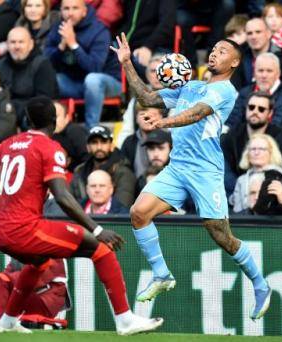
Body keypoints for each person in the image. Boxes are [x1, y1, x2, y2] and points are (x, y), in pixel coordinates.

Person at [0, 96, 163, 335]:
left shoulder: (11, 143)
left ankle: (7, 322)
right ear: (54, 121)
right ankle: (125, 320)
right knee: (99, 248)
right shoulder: (50, 148)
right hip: (25, 229)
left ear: (27, 120)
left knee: (39, 263)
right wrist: (97, 230)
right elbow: (62, 196)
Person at [111, 33, 272, 319]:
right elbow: (146, 97)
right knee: (138, 212)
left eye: (222, 51)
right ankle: (161, 274)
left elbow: (196, 114)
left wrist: (164, 121)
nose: (213, 53)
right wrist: (127, 63)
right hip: (177, 168)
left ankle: (260, 284)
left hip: (206, 172)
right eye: (212, 48)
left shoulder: (226, 92)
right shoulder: (191, 86)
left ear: (234, 62)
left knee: (220, 234)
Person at [44, 0, 121, 129]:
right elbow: (46, 64)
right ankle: (52, 126)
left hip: (107, 83)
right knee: (48, 79)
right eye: (66, 9)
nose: (70, 13)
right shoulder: (58, 29)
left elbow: (95, 67)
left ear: (84, 11)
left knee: (92, 80)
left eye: (75, 8)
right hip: (74, 84)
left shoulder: (99, 30)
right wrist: (61, 47)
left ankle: (91, 128)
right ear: (60, 11)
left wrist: (73, 44)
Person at [0, 258, 70, 329]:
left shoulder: (49, 247)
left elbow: (35, 282)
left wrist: (6, 282)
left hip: (44, 304)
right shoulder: (19, 249)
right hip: (23, 296)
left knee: (2, 279)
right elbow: (4, 281)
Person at [0, 26, 58, 130]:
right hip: (5, 114)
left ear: (31, 44)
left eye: (21, 42)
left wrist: (15, 110)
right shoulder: (1, 64)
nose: (17, 46)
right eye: (13, 42)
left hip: (31, 116)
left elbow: (44, 100)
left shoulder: (42, 64)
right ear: (7, 45)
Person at [70, 125, 136, 207]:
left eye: (103, 142)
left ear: (111, 145)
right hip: (81, 217)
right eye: (94, 142)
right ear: (88, 147)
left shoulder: (123, 172)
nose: (99, 147)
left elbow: (122, 206)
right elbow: (71, 203)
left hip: (111, 219)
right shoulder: (79, 171)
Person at [229, 133, 282, 214]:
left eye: (261, 149)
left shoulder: (281, 175)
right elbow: (237, 210)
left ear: (271, 152)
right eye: (253, 149)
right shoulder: (241, 179)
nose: (256, 153)